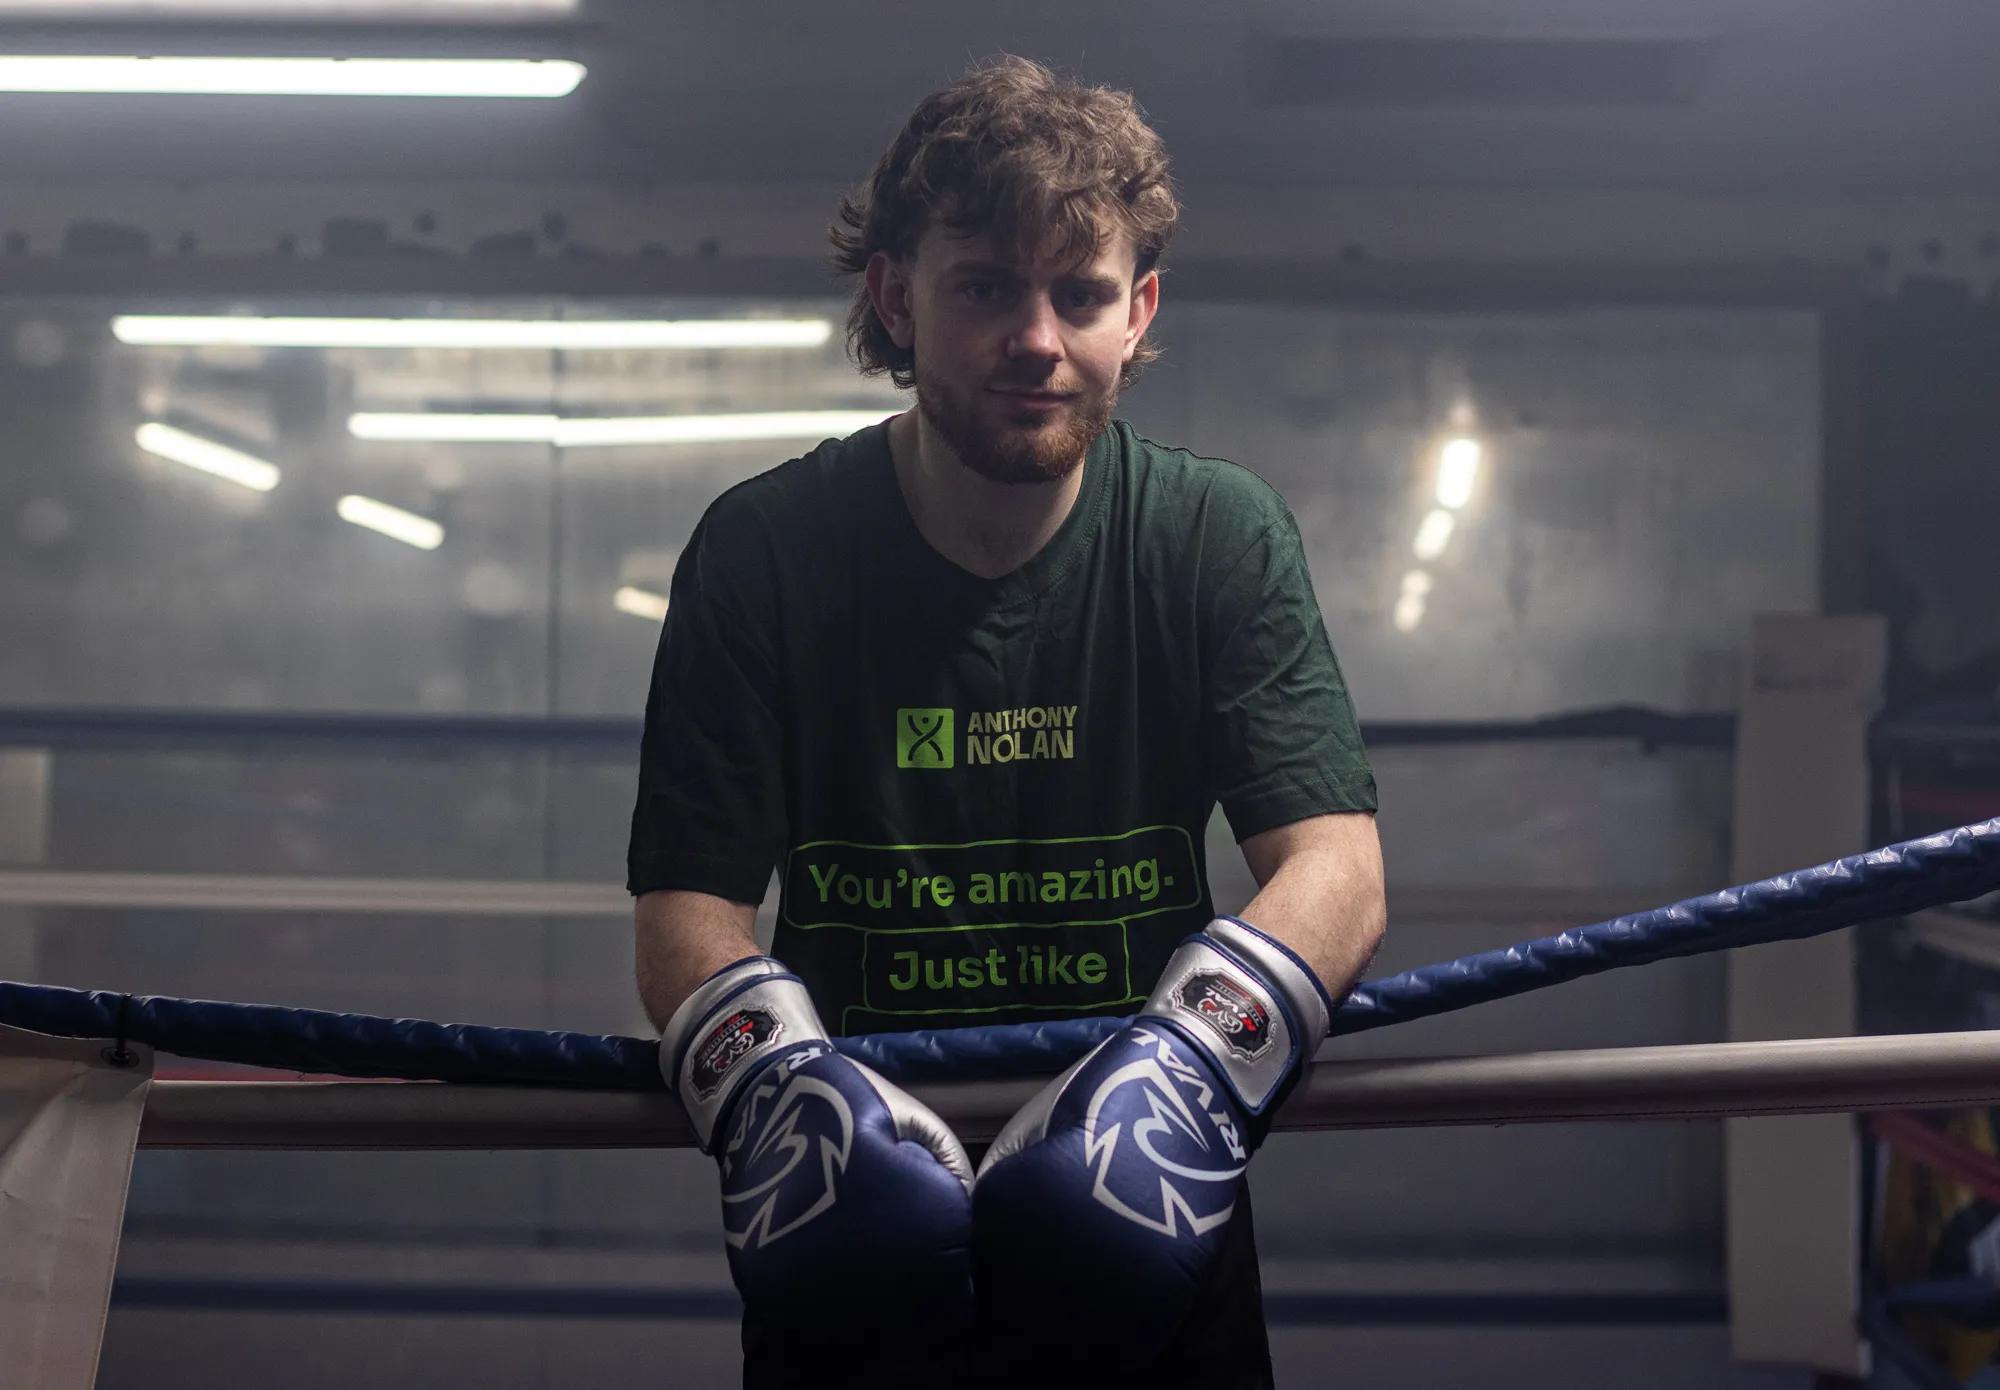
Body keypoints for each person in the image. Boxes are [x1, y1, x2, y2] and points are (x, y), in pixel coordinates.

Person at [628, 55, 1386, 1389]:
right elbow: (685, 916)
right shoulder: (765, 551)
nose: (1038, 337)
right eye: (985, 285)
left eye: (1082, 292)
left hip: (1156, 1245)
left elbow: (1338, 868)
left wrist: (1187, 1077)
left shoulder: (1215, 534)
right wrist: (782, 1097)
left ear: (1138, 311)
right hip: (854, 1248)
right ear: (897, 297)